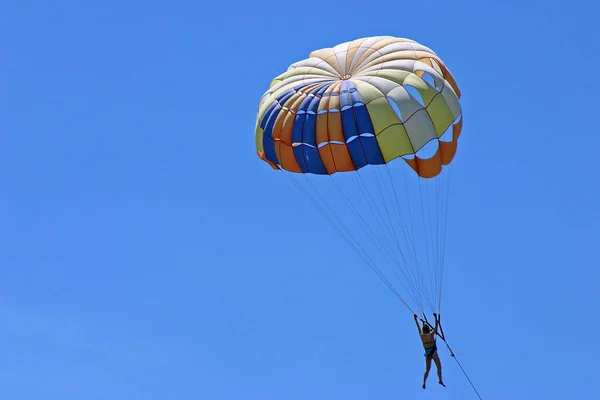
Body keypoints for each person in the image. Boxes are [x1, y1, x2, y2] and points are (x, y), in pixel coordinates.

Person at [414, 313, 445, 389]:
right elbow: (436, 327)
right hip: (433, 353)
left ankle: (424, 382)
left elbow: (418, 327)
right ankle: (440, 380)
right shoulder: (431, 335)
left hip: (427, 354)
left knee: (427, 369)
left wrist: (415, 320)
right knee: (439, 367)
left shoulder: (421, 335)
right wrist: (435, 318)